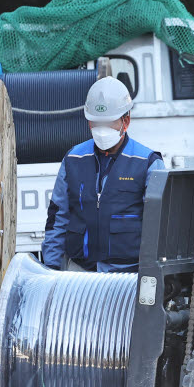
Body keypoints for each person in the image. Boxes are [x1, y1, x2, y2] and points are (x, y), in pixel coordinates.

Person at [43, 76, 164, 273]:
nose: (101, 130)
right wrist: (51, 268)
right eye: (95, 122)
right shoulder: (74, 158)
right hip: (80, 273)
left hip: (128, 275)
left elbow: (159, 227)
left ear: (126, 121)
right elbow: (58, 218)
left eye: (108, 122)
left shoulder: (148, 163)